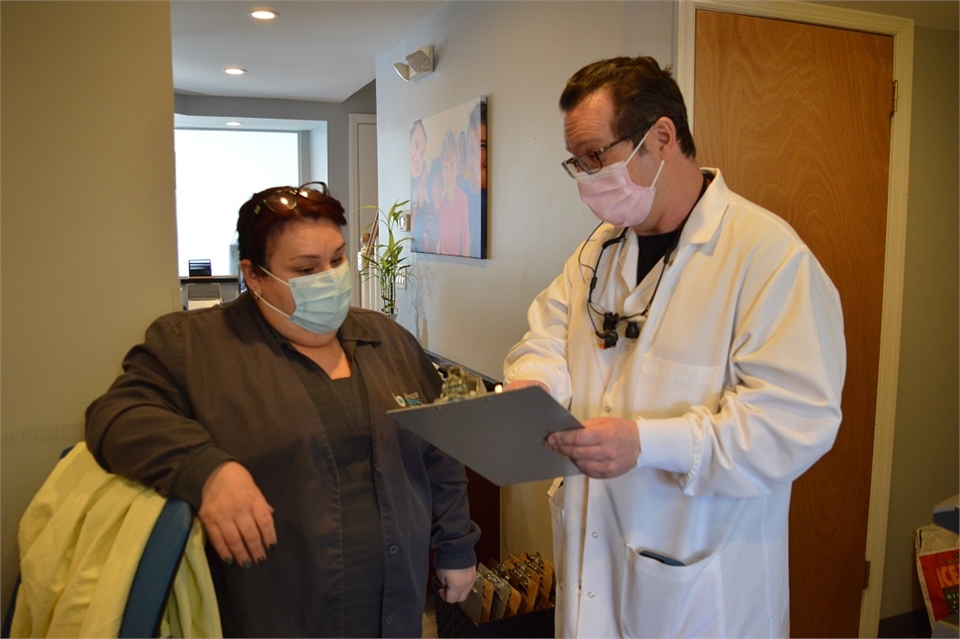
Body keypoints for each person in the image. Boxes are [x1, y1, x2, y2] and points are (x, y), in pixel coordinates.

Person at [503, 56, 845, 638]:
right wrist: (536, 381)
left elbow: (795, 423)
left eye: (596, 156)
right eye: (576, 163)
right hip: (595, 561)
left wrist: (649, 442)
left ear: (661, 137)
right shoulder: (599, 252)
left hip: (701, 586)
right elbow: (547, 334)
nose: (586, 178)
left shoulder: (767, 258)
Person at [86, 182, 479, 638]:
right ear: (254, 276)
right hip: (273, 617)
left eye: (336, 259)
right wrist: (206, 471)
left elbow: (440, 448)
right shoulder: (196, 347)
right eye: (306, 268)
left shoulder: (387, 340)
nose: (329, 278)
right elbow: (116, 416)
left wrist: (456, 547)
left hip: (396, 611)